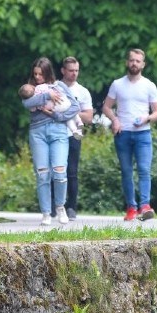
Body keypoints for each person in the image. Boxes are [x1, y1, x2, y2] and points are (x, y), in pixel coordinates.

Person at [101, 48, 157, 222]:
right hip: (123, 134)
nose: (134, 63)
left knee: (144, 170)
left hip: (143, 134)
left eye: (138, 61)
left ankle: (145, 206)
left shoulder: (149, 85)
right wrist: (114, 119)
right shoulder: (117, 84)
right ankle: (131, 208)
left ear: (143, 64)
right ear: (127, 62)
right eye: (132, 60)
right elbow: (106, 107)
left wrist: (147, 118)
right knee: (127, 171)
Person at [20, 57, 80, 225]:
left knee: (60, 171)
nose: (38, 77)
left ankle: (60, 206)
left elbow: (75, 106)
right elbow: (27, 103)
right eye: (35, 74)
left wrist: (57, 115)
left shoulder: (59, 86)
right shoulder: (31, 88)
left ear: (47, 73)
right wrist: (47, 95)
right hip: (37, 132)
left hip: (58, 130)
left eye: (41, 74)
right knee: (43, 174)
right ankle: (46, 213)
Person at [59, 56, 95, 221]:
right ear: (63, 71)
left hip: (74, 135)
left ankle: (71, 206)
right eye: (71, 70)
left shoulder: (83, 92)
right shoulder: (55, 88)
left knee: (72, 172)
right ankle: (56, 205)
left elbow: (88, 117)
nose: (74, 74)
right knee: (57, 170)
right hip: (57, 133)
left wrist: (67, 112)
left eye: (76, 71)